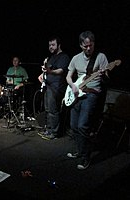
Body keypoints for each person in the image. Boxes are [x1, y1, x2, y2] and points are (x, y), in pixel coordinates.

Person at [65, 30, 109, 170]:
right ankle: (79, 151)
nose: (89, 48)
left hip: (92, 94)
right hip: (77, 93)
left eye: (91, 45)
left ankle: (86, 158)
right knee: (73, 125)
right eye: (86, 46)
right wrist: (73, 86)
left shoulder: (100, 57)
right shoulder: (75, 58)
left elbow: (107, 78)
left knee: (83, 125)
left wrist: (103, 74)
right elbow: (68, 76)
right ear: (81, 45)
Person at [37, 36, 70, 140]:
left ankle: (54, 133)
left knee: (53, 110)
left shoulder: (64, 57)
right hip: (48, 85)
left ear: (58, 45)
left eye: (53, 45)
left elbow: (60, 71)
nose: (50, 47)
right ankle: (49, 130)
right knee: (47, 109)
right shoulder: (51, 57)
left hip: (56, 87)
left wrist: (50, 72)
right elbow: (47, 69)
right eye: (49, 45)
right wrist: (42, 75)